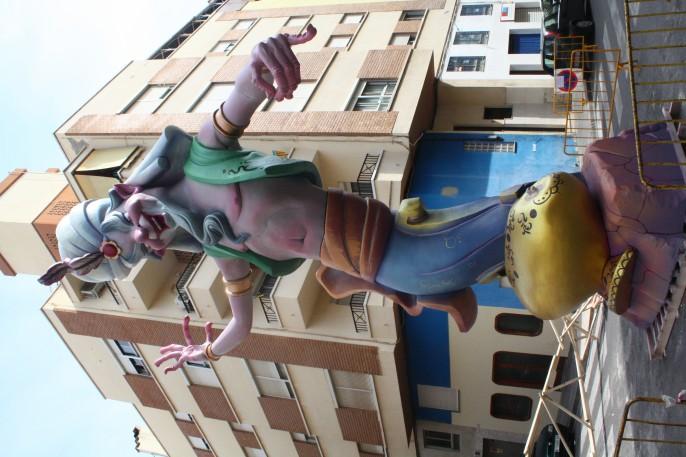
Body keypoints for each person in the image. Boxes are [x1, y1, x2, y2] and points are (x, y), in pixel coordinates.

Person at [39, 26, 686, 373]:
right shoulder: (219, 242)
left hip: (389, 233)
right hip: (391, 261)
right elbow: (242, 323)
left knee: (529, 218)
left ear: (118, 195)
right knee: (527, 230)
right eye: (133, 256)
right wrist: (204, 352)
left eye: (116, 232)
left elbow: (239, 99)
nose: (141, 240)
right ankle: (636, 241)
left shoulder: (201, 158)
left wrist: (262, 63)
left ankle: (643, 212)